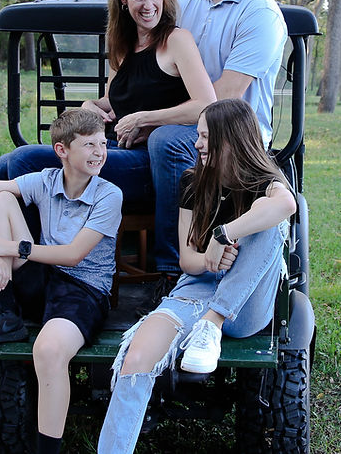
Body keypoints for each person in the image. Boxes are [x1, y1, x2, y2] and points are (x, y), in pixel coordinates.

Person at [96, 99, 298, 454]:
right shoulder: (193, 181)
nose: (197, 143)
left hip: (244, 305)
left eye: (205, 136)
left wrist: (224, 234)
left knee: (269, 222)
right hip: (197, 288)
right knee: (137, 357)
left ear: (231, 140)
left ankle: (212, 321)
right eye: (199, 135)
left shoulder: (267, 183)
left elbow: (287, 206)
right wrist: (209, 259)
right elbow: (187, 260)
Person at [0, 0, 216, 210]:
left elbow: (206, 103)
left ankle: (34, 248)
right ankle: (24, 239)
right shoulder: (121, 43)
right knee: (2, 165)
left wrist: (143, 119)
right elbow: (112, 101)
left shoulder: (176, 40)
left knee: (25, 159)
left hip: (145, 160)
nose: (149, 5)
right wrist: (90, 104)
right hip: (108, 147)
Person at [0, 109, 123, 454]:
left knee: (47, 351)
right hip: (43, 276)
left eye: (103, 144)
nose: (100, 152)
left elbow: (74, 255)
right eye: (89, 144)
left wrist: (10, 247)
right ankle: (4, 311)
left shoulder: (109, 194)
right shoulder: (46, 180)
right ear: (62, 150)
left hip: (83, 289)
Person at [145, 0, 287, 295]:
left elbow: (224, 97)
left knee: (166, 142)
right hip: (185, 122)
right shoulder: (187, 5)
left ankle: (169, 268)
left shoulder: (261, 14)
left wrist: (154, 120)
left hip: (237, 136)